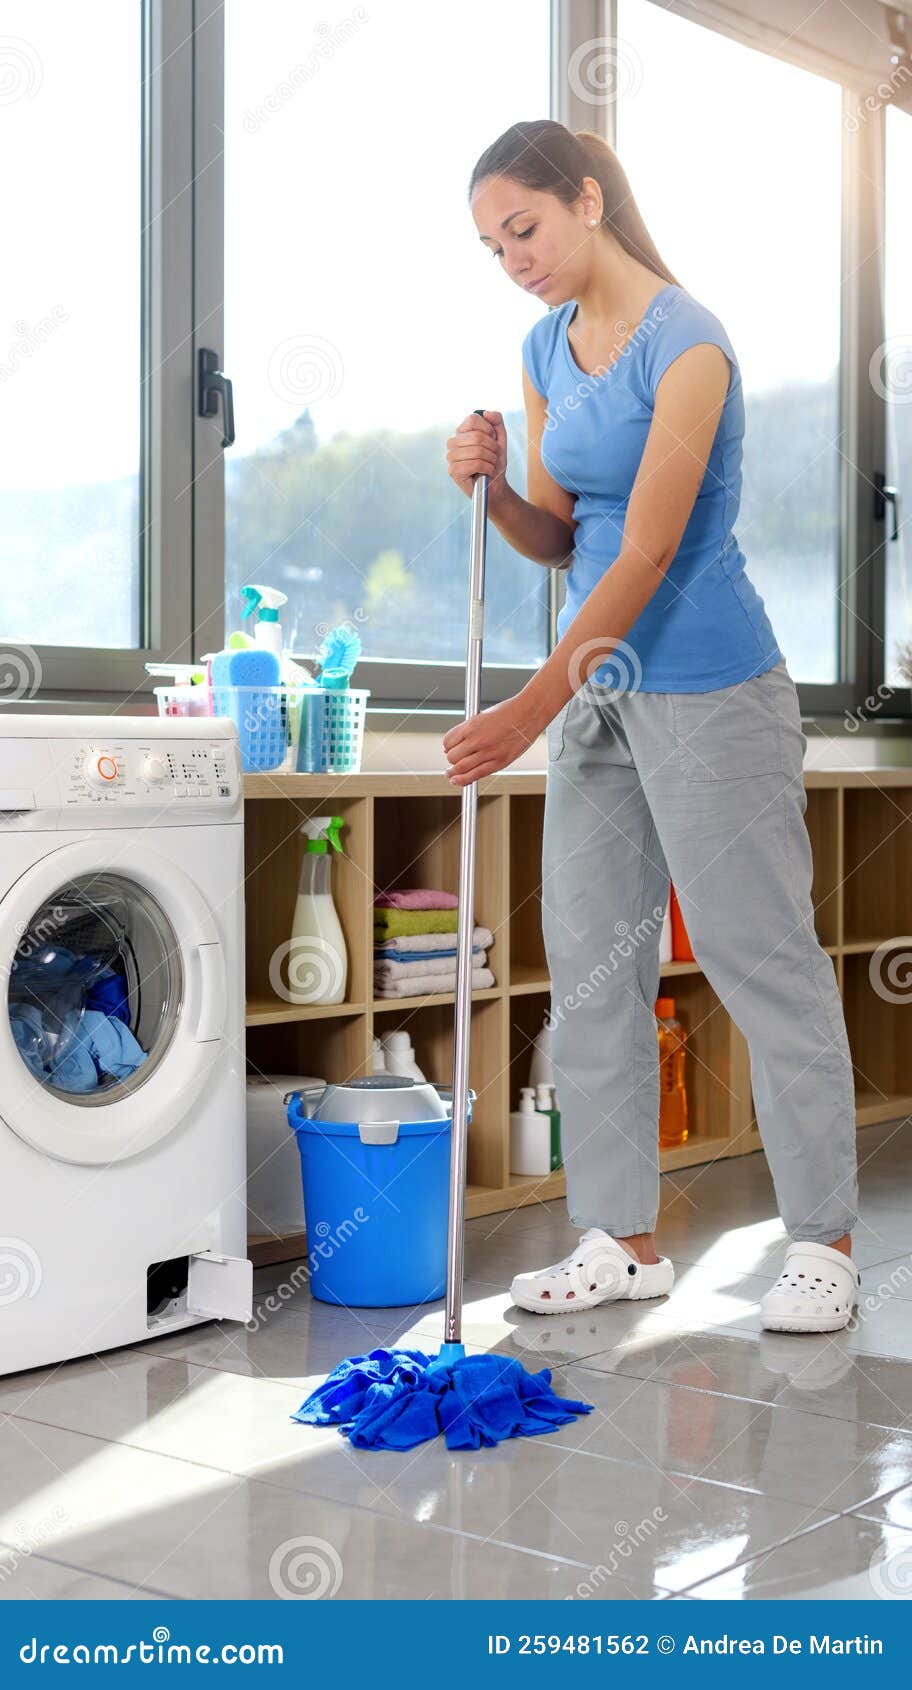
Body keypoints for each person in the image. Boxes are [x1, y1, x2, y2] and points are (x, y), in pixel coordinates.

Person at [443, 119, 860, 1335]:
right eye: (490, 245)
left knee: (756, 955)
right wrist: (493, 485)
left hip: (711, 688)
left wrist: (530, 703)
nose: (512, 258)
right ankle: (620, 1236)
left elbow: (653, 548)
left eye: (524, 228)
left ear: (587, 199)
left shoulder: (691, 344)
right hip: (602, 697)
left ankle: (823, 1239)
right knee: (591, 960)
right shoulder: (544, 343)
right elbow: (565, 537)